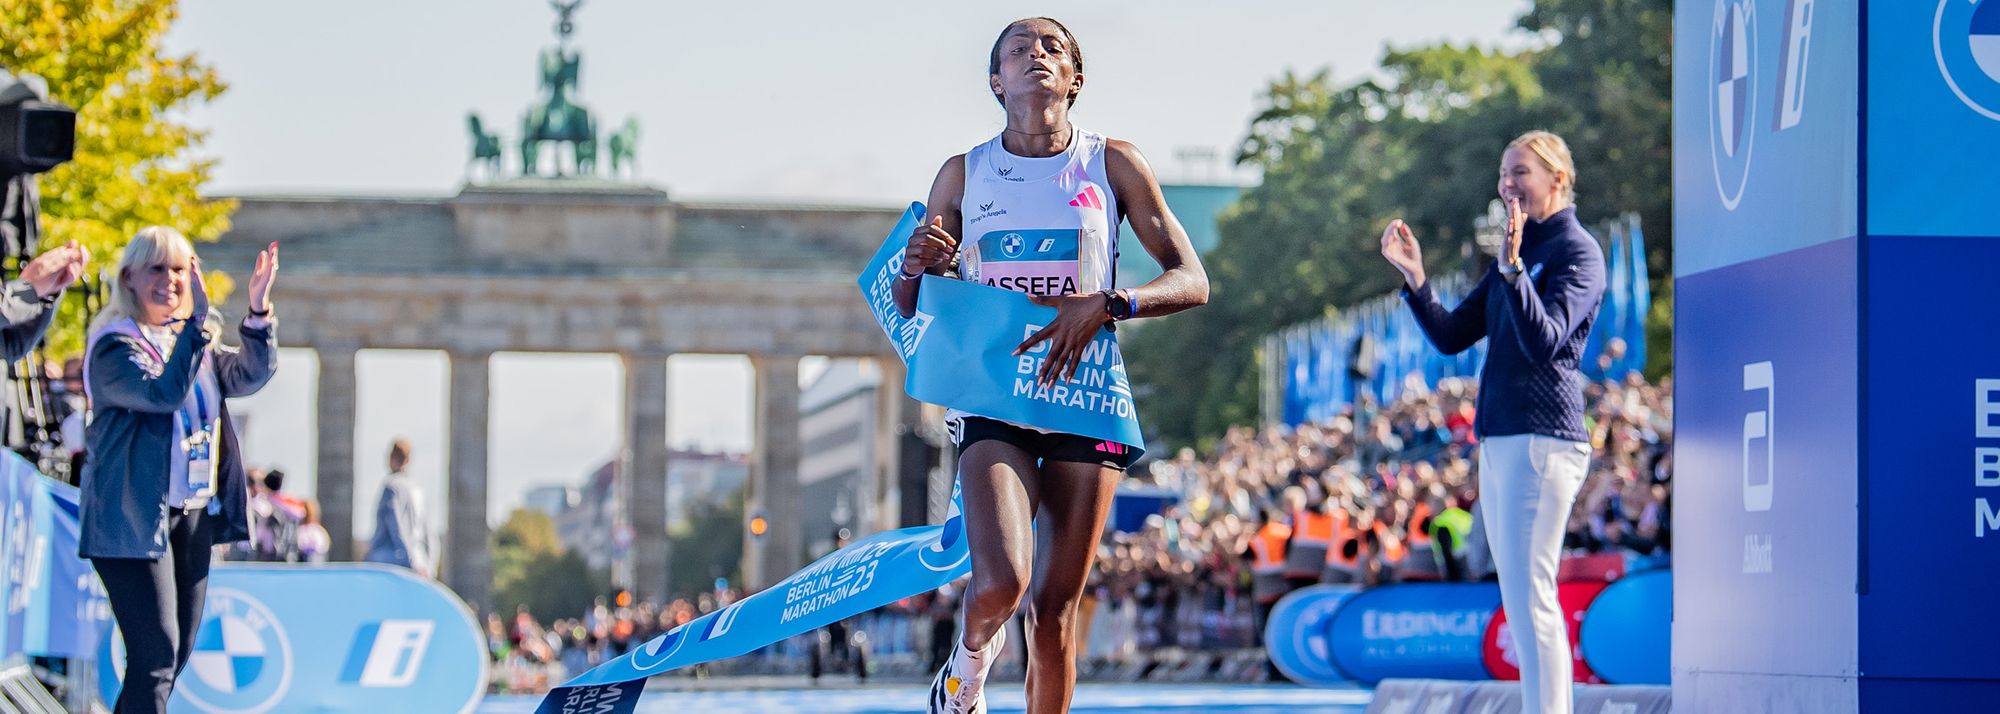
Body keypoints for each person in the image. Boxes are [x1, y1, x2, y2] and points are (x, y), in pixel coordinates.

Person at [891, 17, 1209, 714]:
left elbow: (1192, 279)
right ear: (995, 83)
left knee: (1055, 609)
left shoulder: (1113, 162)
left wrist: (1109, 302)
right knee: (1003, 581)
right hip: (995, 397)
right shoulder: (963, 172)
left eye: (1053, 48)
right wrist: (919, 265)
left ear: (1076, 78)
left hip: (1086, 394)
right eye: (1017, 50)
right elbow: (909, 300)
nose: (1036, 55)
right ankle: (965, 672)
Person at [1380, 130, 1605, 714]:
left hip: (1545, 437)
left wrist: (1513, 273)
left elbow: (1547, 343)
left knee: (1533, 593)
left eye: (1521, 172)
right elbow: (1454, 335)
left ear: (1559, 178)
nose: (1508, 184)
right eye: (1504, 174)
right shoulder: (1519, 252)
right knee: (1517, 592)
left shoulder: (1577, 252)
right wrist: (1416, 279)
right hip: (1503, 435)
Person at [79, 227, 278, 714]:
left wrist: (257, 313)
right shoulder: (113, 346)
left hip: (189, 515)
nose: (169, 280)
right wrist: (196, 329)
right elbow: (160, 394)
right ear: (129, 277)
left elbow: (251, 374)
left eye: (179, 269)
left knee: (174, 656)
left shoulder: (193, 345)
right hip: (130, 520)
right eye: (156, 269)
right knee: (155, 656)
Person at [365, 438, 438, 578]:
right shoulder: (418, 489)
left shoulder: (391, 487)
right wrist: (429, 566)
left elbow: (396, 526)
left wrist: (409, 560)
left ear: (391, 458)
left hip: (391, 561)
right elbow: (429, 532)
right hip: (419, 559)